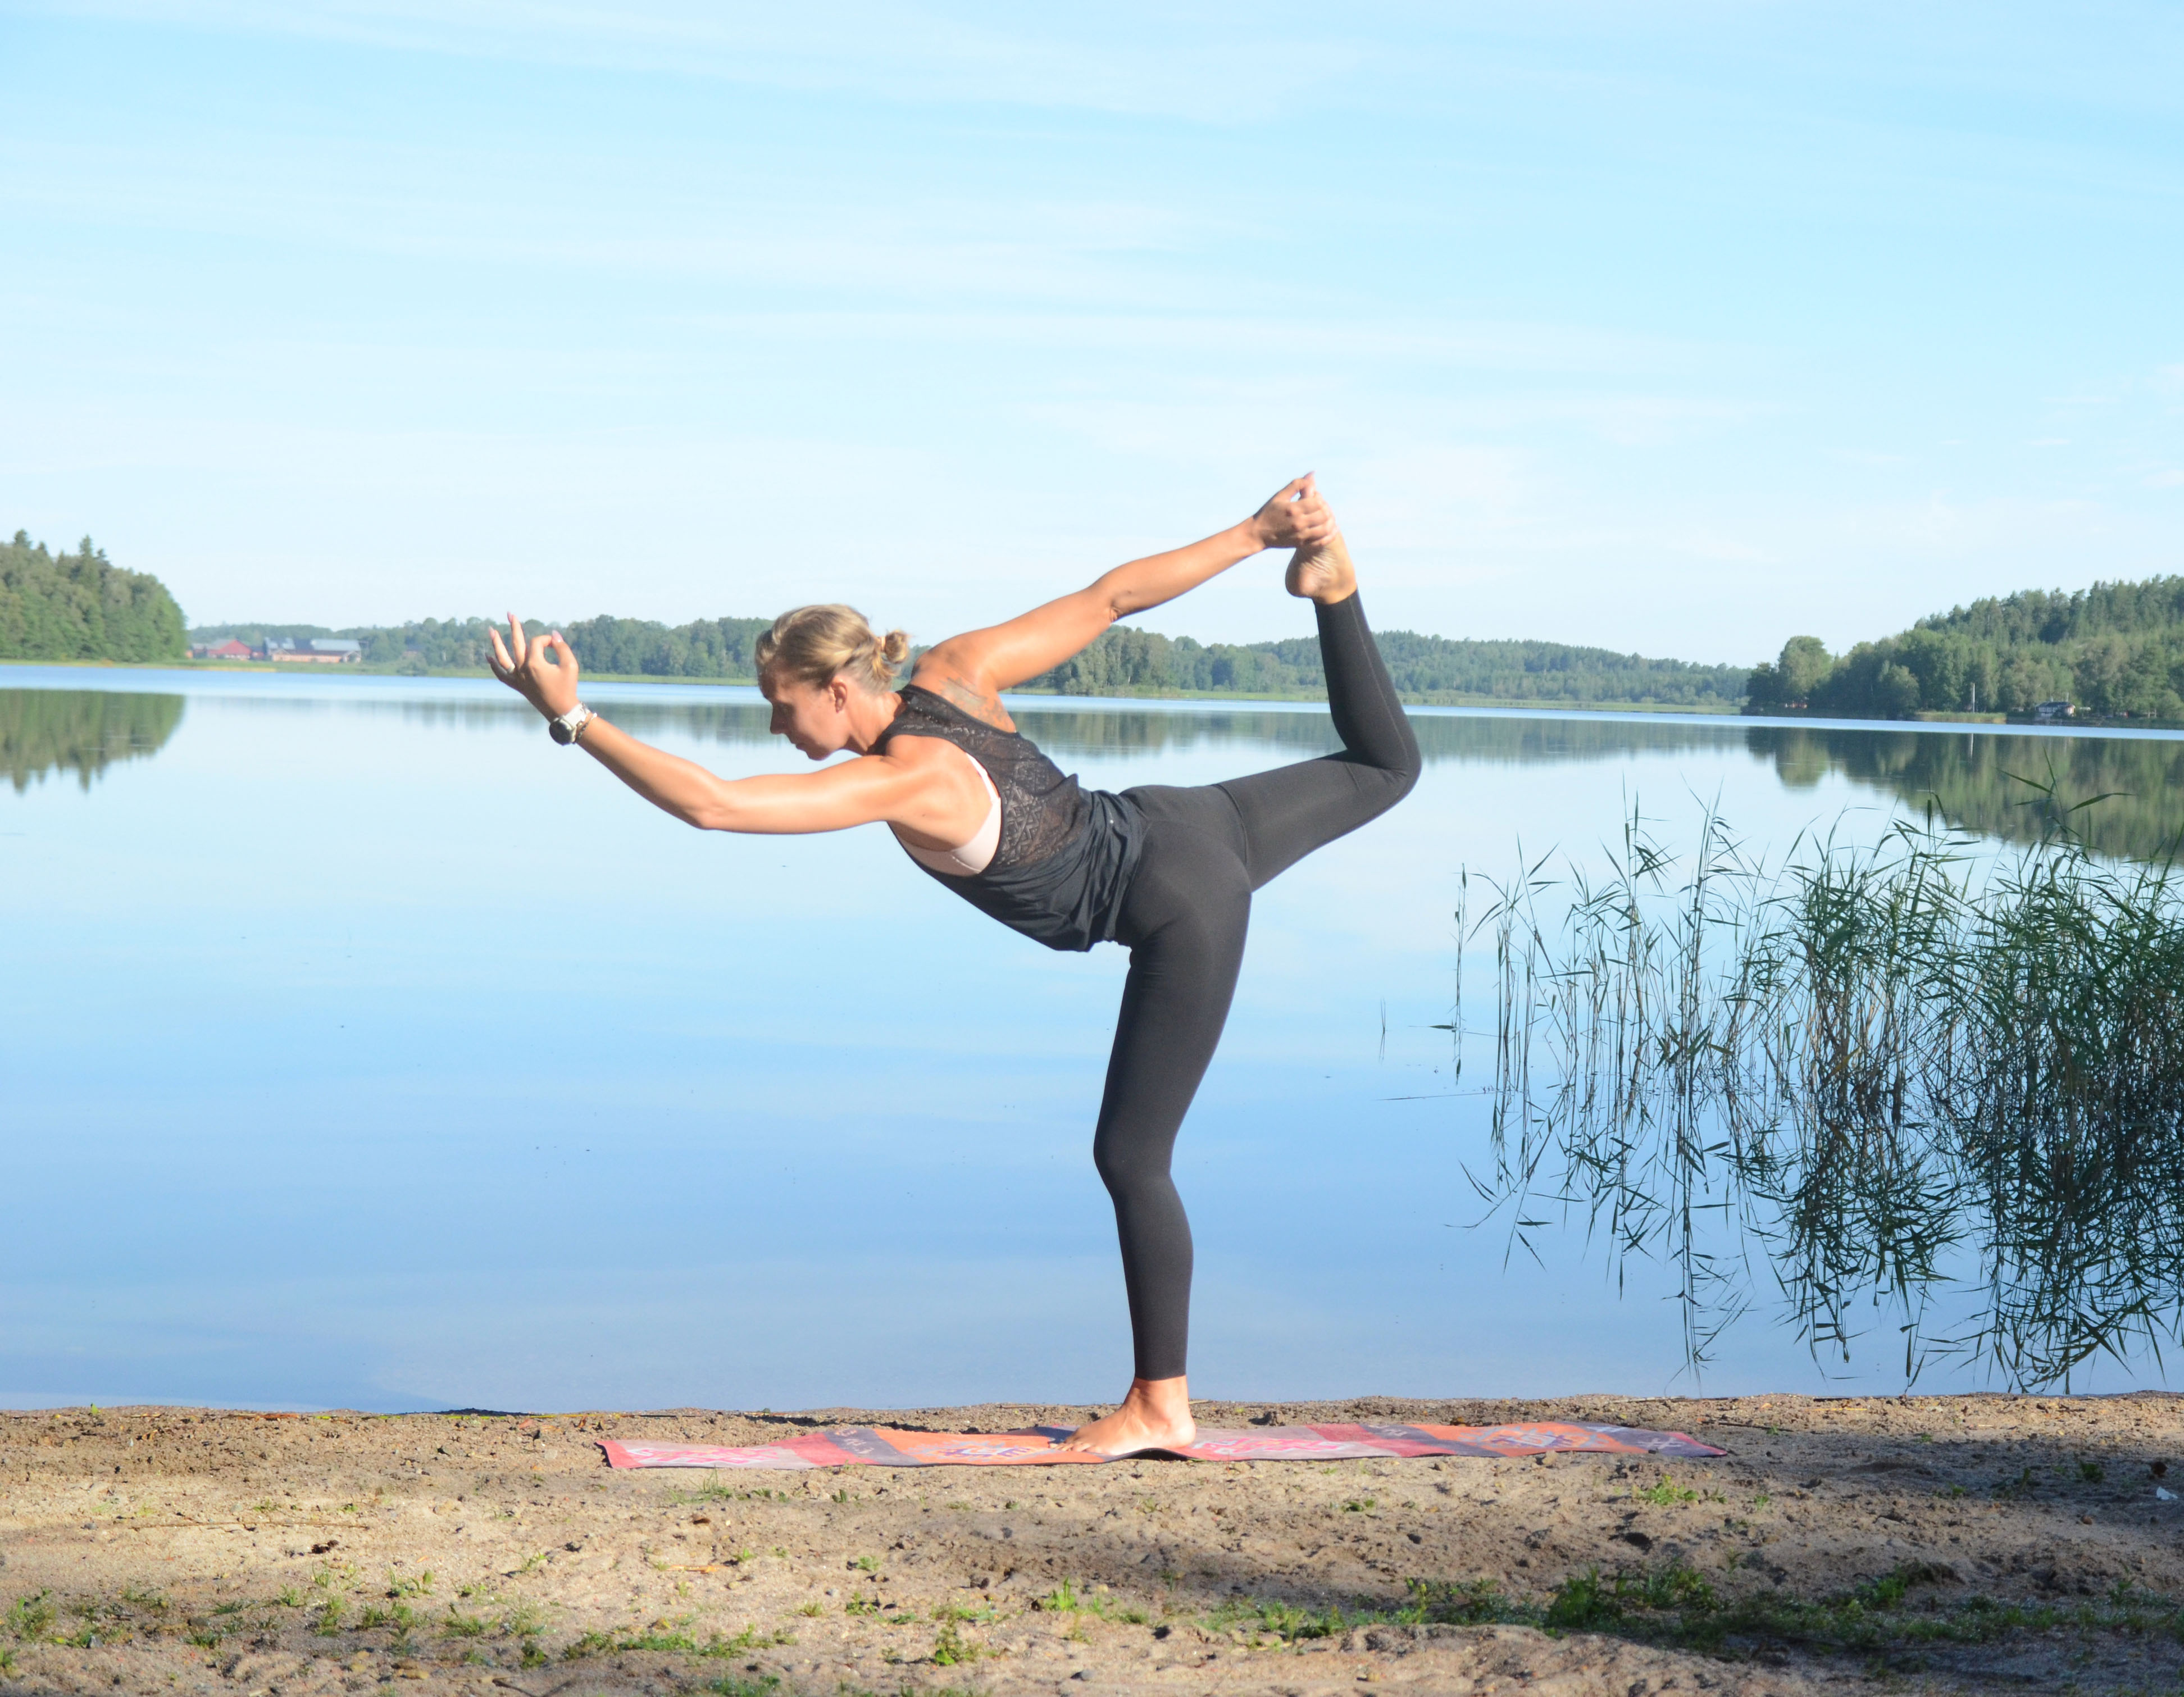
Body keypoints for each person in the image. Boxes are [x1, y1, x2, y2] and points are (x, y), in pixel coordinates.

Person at [488, 475, 1420, 1455]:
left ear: (836, 689)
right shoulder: (957, 669)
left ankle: (1161, 1403)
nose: (776, 727)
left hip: (1178, 902)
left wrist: (574, 718)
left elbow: (715, 804)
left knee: (1131, 1157)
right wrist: (1256, 533)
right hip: (1184, 822)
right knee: (1385, 766)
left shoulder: (909, 777)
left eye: (780, 704)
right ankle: (1333, 587)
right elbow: (1110, 599)